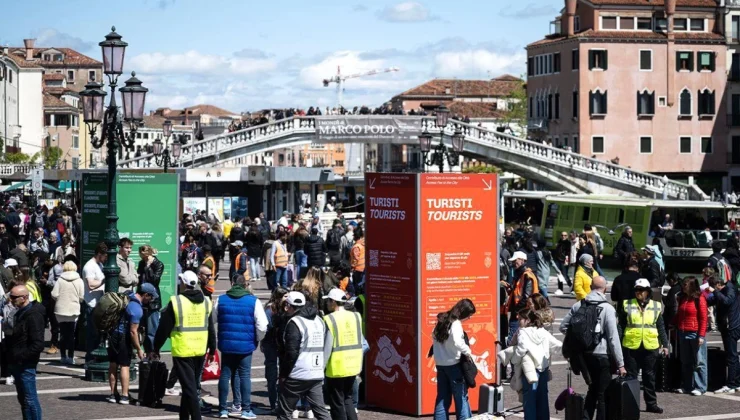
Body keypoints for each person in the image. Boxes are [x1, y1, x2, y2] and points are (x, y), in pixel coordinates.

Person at [152, 268, 217, 420]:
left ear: (183, 283)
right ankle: (184, 417)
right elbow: (210, 328)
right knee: (189, 386)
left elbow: (163, 328)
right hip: (200, 349)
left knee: (190, 388)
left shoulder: (176, 302)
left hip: (183, 349)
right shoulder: (206, 301)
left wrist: (156, 348)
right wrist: (212, 349)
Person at [561, 276, 625, 420]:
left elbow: (563, 326)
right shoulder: (607, 308)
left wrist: (581, 339)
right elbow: (613, 338)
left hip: (584, 356)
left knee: (592, 389)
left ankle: (586, 417)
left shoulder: (579, 305)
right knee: (603, 394)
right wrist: (620, 364)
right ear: (605, 289)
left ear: (590, 286)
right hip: (602, 355)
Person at [214, 274, 268, 419]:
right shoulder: (253, 301)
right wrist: (257, 338)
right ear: (245, 285)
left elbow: (212, 319)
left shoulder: (221, 299)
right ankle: (245, 409)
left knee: (225, 375)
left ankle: (222, 409)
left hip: (226, 344)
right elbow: (262, 326)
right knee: (244, 375)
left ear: (232, 283)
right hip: (246, 344)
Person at [277, 291, 331, 420]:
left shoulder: (294, 323)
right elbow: (328, 342)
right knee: (321, 411)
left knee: (285, 411)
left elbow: (292, 352)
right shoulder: (319, 319)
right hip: (316, 372)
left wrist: (284, 375)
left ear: (289, 306)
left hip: (297, 373)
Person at [618, 278, 668, 413]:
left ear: (648, 291)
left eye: (642, 290)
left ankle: (651, 404)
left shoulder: (656, 305)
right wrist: (617, 345)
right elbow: (621, 326)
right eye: (637, 290)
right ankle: (631, 405)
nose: (639, 292)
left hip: (650, 345)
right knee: (631, 377)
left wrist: (665, 344)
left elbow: (660, 326)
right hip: (631, 345)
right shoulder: (626, 304)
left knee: (649, 377)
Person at [107, 283, 155, 405]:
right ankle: (124, 396)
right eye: (151, 297)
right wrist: (139, 349)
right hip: (123, 338)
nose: (151, 300)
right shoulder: (137, 309)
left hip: (112, 335)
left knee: (113, 364)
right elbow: (133, 332)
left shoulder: (127, 296)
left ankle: (113, 394)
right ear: (146, 295)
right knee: (124, 366)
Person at [323, 288, 365, 420]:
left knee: (337, 401)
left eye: (329, 301)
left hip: (336, 366)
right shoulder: (355, 316)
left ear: (333, 302)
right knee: (348, 398)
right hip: (353, 364)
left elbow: (328, 346)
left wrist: (321, 367)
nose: (327, 304)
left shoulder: (329, 319)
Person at [431, 298, 475, 420]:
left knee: (442, 399)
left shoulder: (442, 320)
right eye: (469, 315)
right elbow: (457, 342)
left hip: (440, 364)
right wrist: (468, 352)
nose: (469, 318)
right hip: (454, 365)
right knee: (461, 399)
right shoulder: (455, 323)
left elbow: (433, 335)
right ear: (463, 313)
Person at [514, 308, 562, 420]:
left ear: (527, 320)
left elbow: (521, 349)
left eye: (520, 319)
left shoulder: (522, 332)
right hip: (543, 368)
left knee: (529, 400)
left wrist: (514, 360)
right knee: (542, 399)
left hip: (529, 369)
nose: (518, 321)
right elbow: (557, 345)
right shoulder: (543, 331)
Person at [7, 284, 45, 419]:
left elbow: (38, 343)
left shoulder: (33, 315)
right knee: (23, 398)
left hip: (26, 362)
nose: (11, 300)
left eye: (14, 297)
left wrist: (22, 357)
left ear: (24, 297)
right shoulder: (19, 312)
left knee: (29, 398)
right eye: (10, 296)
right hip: (18, 361)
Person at [706, 275, 740, 393]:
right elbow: (713, 300)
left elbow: (726, 301)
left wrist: (714, 292)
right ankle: (736, 382)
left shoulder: (730, 289)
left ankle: (731, 384)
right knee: (732, 355)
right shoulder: (723, 290)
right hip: (728, 326)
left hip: (731, 326)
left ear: (717, 285)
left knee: (731, 356)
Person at [675, 276, 708, 396]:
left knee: (699, 361)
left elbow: (704, 319)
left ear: (692, 286)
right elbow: (679, 314)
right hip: (683, 332)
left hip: (695, 333)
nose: (683, 287)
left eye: (686, 285)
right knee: (685, 361)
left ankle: (701, 387)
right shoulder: (683, 298)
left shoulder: (699, 299)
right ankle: (687, 386)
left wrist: (701, 335)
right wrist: (674, 324)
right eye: (683, 284)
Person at [51, 260, 84, 365]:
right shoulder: (79, 280)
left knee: (63, 334)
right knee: (71, 335)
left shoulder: (60, 280)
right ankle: (70, 356)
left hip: (60, 310)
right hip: (73, 309)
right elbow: (82, 297)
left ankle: (63, 356)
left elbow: (54, 294)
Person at [262, 287, 289, 414]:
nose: (287, 299)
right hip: (271, 344)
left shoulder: (287, 307)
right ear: (278, 297)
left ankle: (282, 402)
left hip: (282, 345)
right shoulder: (270, 309)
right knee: (272, 374)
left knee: (284, 374)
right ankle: (274, 403)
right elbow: (265, 327)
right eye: (285, 296)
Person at [503, 251, 539, 346]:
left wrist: (516, 311)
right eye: (513, 261)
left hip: (522, 313)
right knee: (518, 339)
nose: (514, 263)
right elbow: (519, 293)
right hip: (520, 312)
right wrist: (510, 289)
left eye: (516, 260)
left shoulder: (526, 275)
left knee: (513, 340)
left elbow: (526, 297)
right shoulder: (520, 274)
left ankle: (511, 359)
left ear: (522, 260)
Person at [82, 242, 107, 364]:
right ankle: (90, 359)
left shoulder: (99, 265)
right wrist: (104, 280)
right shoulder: (89, 266)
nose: (106, 258)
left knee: (98, 334)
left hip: (99, 304)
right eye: (104, 256)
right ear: (99, 254)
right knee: (92, 334)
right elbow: (91, 285)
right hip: (91, 304)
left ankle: (95, 358)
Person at [138, 244, 164, 353]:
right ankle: (147, 352)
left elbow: (155, 280)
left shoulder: (158, 264)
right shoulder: (141, 263)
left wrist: (148, 268)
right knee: (142, 329)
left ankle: (154, 353)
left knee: (152, 330)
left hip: (152, 301)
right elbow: (139, 279)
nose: (142, 259)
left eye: (144, 257)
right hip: (141, 298)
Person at [350, 228, 365, 294]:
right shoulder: (363, 244)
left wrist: (352, 267)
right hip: (364, 268)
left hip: (358, 269)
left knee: (357, 287)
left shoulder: (356, 247)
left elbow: (355, 259)